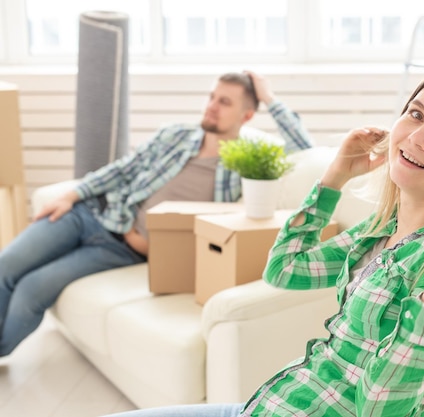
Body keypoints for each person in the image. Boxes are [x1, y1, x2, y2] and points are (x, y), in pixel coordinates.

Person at [103, 68, 424, 417]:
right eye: (415, 114)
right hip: (270, 405)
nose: (417, 138)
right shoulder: (383, 231)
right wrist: (335, 176)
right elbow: (284, 268)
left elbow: (382, 411)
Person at [0, 71, 314, 357]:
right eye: (212, 97)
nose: (212, 106)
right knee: (6, 265)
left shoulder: (245, 162)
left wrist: (269, 98)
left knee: (31, 290)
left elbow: (303, 147)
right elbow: (125, 168)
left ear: (246, 114)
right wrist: (71, 195)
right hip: (90, 213)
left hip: (119, 250)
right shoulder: (175, 134)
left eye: (225, 102)